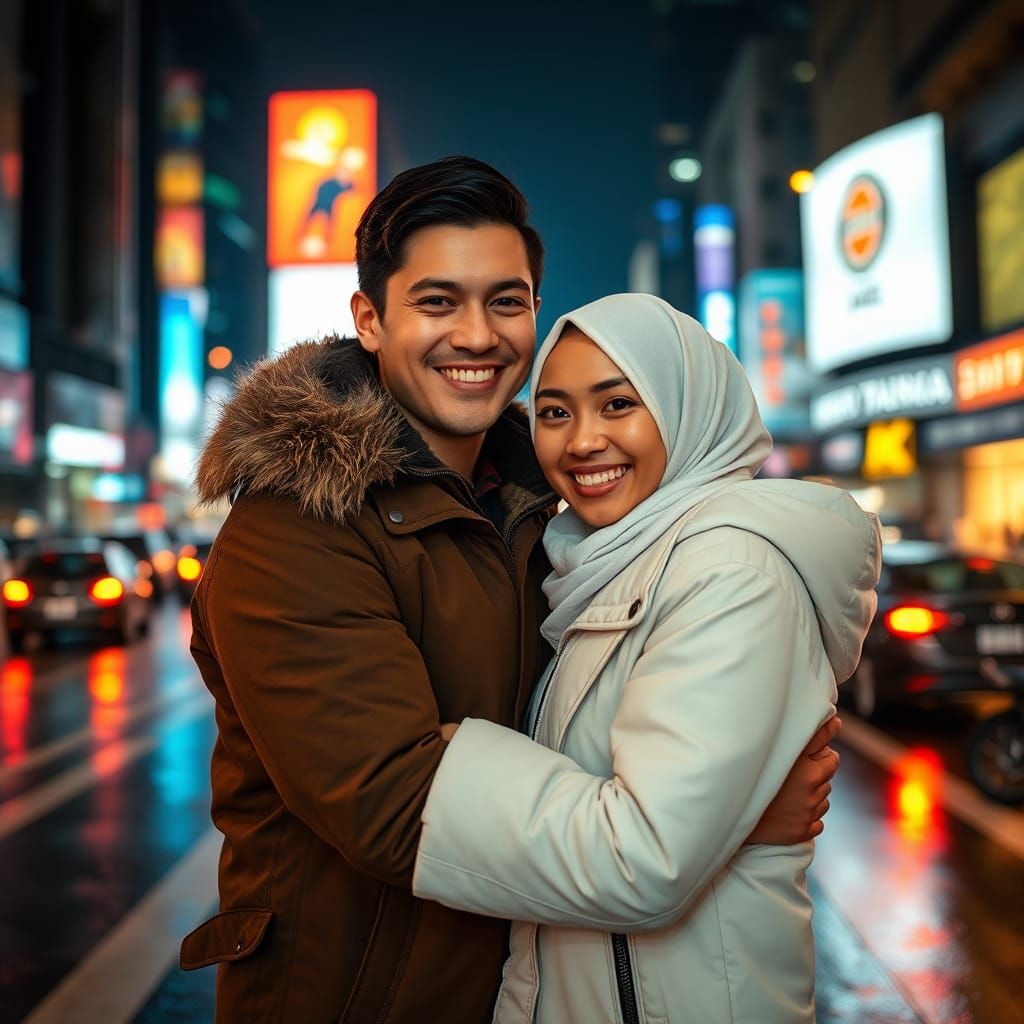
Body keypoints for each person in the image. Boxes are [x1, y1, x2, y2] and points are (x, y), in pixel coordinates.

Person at [180, 157, 841, 1022]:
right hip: (361, 997)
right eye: (437, 302)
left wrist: (714, 805)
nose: (477, 335)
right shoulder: (297, 524)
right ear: (370, 320)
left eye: (506, 301)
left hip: (524, 988)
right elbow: (390, 797)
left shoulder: (560, 517)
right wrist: (715, 833)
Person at [412, 293, 882, 1023]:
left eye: (618, 404)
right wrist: (736, 825)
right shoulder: (595, 565)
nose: (582, 442)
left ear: (688, 407)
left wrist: (439, 763)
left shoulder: (730, 570)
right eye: (555, 412)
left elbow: (646, 858)